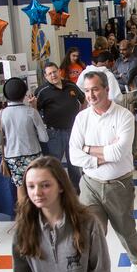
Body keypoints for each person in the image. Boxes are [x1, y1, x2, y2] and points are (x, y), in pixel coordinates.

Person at [69, 71, 137, 272]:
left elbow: (119, 152)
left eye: (95, 89)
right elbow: (74, 156)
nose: (91, 95)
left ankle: (136, 258)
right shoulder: (82, 118)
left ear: (106, 89)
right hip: (90, 184)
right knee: (92, 232)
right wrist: (100, 155)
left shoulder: (124, 116)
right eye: (86, 91)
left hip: (119, 185)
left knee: (125, 228)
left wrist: (88, 148)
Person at [30, 62, 87, 190]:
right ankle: (55, 189)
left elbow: (83, 100)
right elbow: (35, 112)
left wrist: (80, 117)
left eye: (54, 72)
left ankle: (76, 189)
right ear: (45, 76)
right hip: (54, 133)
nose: (53, 75)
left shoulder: (71, 85)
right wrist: (33, 105)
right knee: (54, 163)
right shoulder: (42, 91)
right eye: (49, 73)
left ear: (59, 71)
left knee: (74, 161)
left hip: (73, 131)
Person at [0, 77, 48, 203]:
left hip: (13, 157)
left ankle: (25, 217)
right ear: (24, 94)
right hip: (33, 155)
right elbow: (44, 138)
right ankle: (39, 215)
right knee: (37, 186)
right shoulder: (31, 112)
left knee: (20, 187)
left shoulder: (1, 114)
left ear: (6, 95)